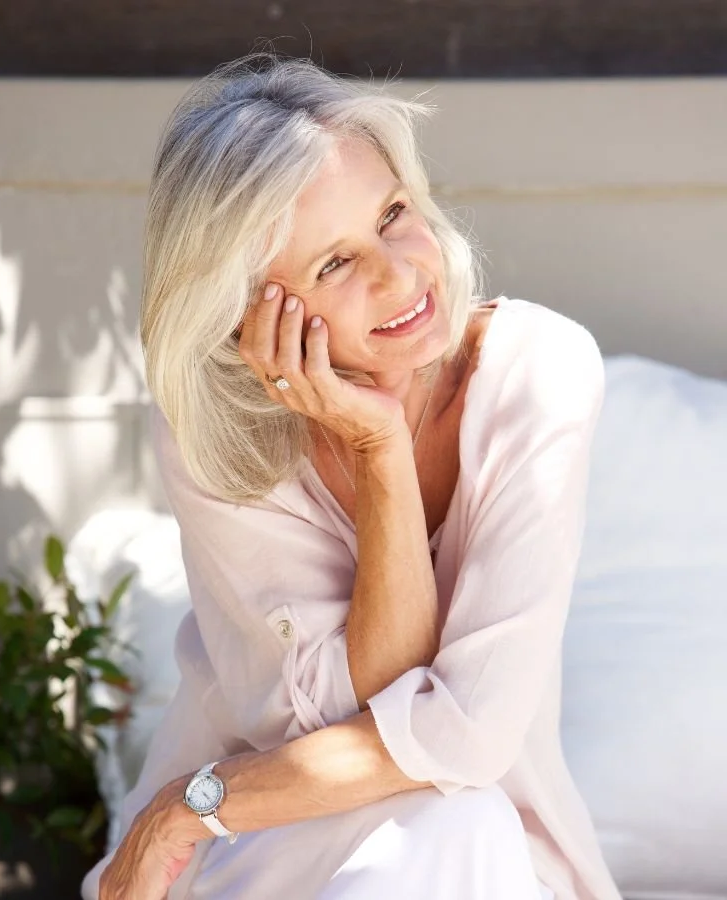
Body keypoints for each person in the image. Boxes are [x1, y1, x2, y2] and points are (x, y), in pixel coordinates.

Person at [82, 53, 621, 900]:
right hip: (266, 851)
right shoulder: (217, 433)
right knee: (450, 817)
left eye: (394, 212)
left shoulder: (538, 373)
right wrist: (379, 453)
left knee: (462, 818)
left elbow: (466, 742)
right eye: (333, 264)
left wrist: (185, 808)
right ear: (243, 316)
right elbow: (334, 717)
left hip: (487, 863)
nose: (401, 273)